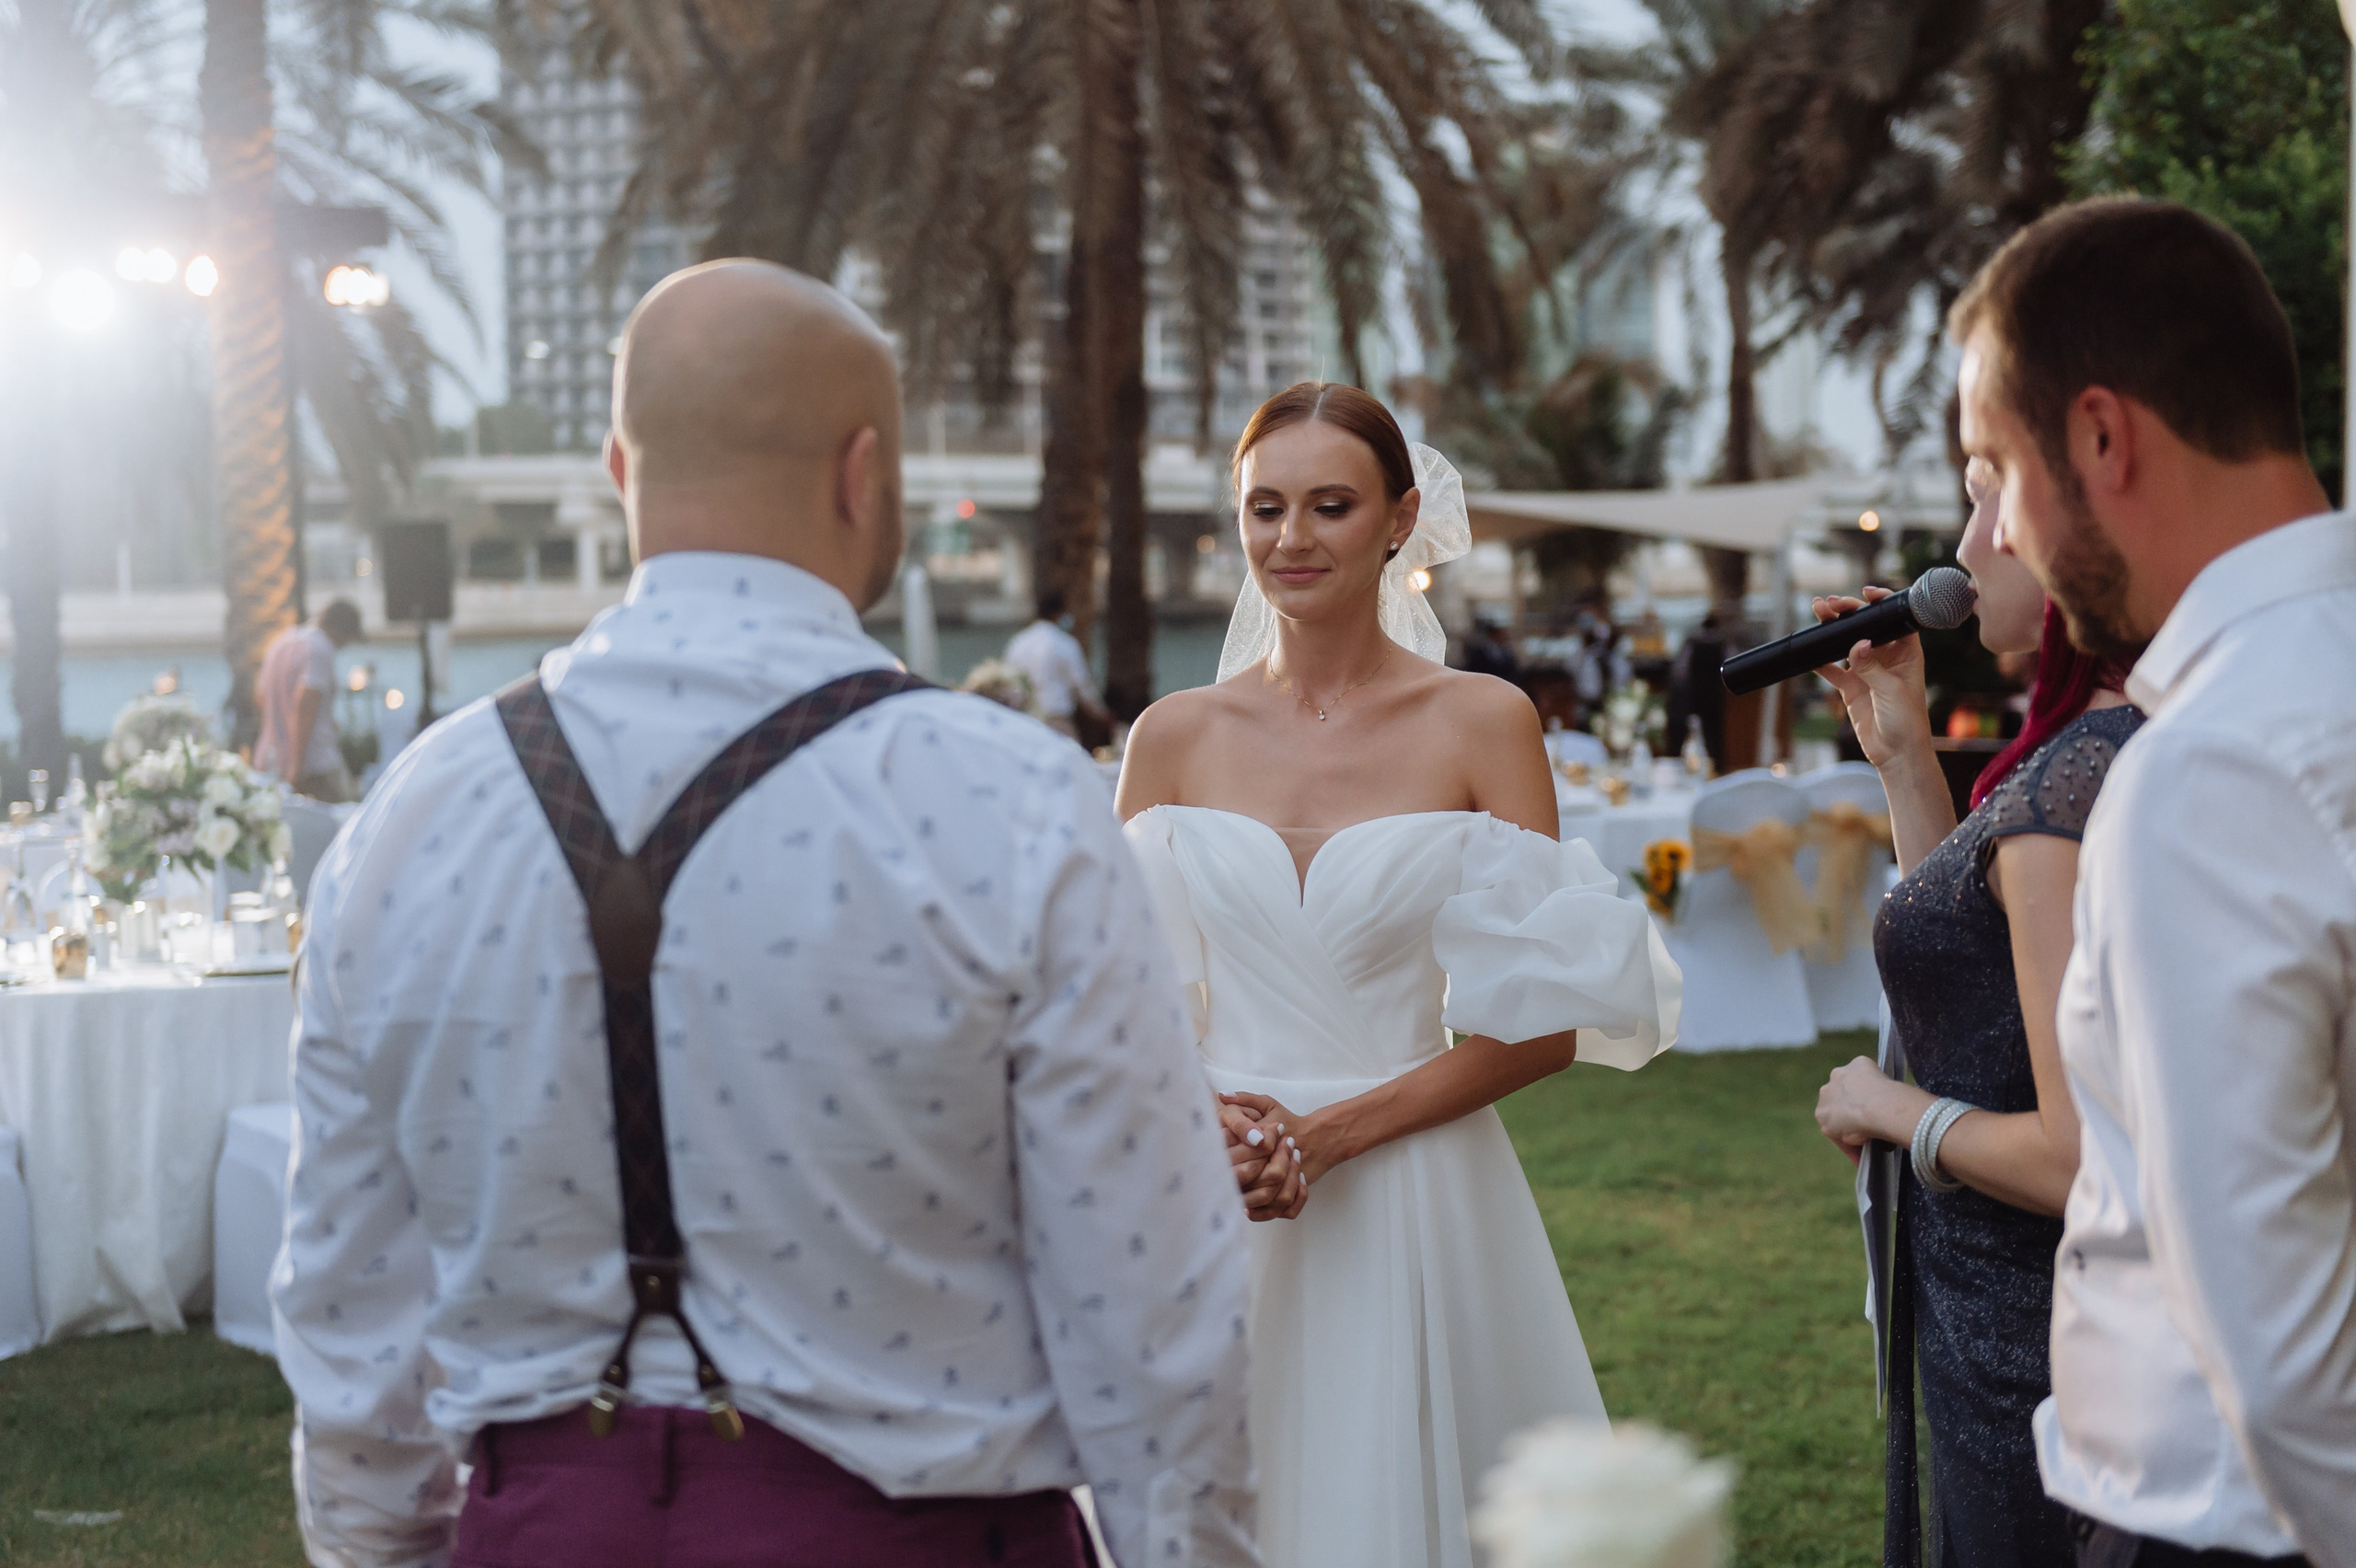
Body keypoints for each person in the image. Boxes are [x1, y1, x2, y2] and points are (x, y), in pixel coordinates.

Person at [272, 261, 1261, 1568]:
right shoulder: (1007, 799)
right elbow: (1154, 1326)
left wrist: (390, 1550)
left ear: (622, 470)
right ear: (865, 473)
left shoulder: (408, 819)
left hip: (542, 1536)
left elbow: (348, 1312)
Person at [1114, 382, 1682, 1568]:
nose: (1291, 538)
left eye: (1329, 505)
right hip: (1217, 1194)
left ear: (1398, 518)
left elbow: (1545, 1026)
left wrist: (1327, 1137)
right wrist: (1209, 1125)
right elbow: (1117, 1008)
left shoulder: (1483, 722)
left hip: (1415, 1188)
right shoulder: (1169, 735)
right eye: (1265, 508)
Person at [1958, 198, 2355, 1567]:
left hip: (2235, 1521)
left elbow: (2276, 1349)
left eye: (1995, 470)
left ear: (2101, 437)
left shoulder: (2207, 773)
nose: (2000, 534)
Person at [1811, 455, 2141, 1568]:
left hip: (2027, 1336)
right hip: (2008, 1317)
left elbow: (2072, 1155)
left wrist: (1891, 1108)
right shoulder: (2091, 752)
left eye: (1984, 492)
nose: (1961, 547)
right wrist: (1903, 750)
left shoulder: (2074, 784)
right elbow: (1978, 985)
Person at [255, 598, 364, 801]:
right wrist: (295, 765)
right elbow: (305, 703)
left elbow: (261, 696)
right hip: (314, 764)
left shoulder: (282, 642)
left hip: (270, 758)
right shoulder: (320, 649)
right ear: (342, 631)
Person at [1003, 589, 1112, 743]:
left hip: (1026, 721)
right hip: (1058, 722)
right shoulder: (1065, 643)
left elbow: (1007, 681)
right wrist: (1102, 714)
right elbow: (1082, 686)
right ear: (1057, 614)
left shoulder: (1018, 643)